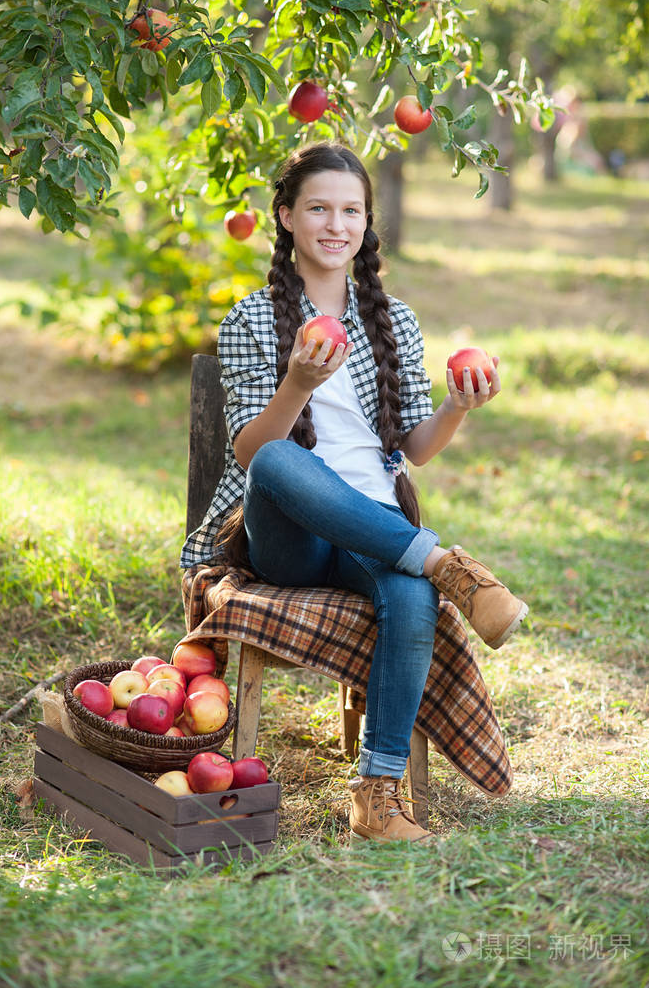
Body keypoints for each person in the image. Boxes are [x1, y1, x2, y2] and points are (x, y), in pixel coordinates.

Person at [181, 142, 528, 845]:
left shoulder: (392, 320)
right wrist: (298, 385)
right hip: (287, 533)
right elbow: (251, 453)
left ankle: (375, 795)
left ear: (366, 222)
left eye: (350, 209)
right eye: (317, 208)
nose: (334, 224)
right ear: (285, 217)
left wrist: (458, 406)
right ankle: (448, 565)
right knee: (280, 457)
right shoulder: (251, 318)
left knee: (407, 594)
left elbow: (414, 450)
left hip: (371, 521)